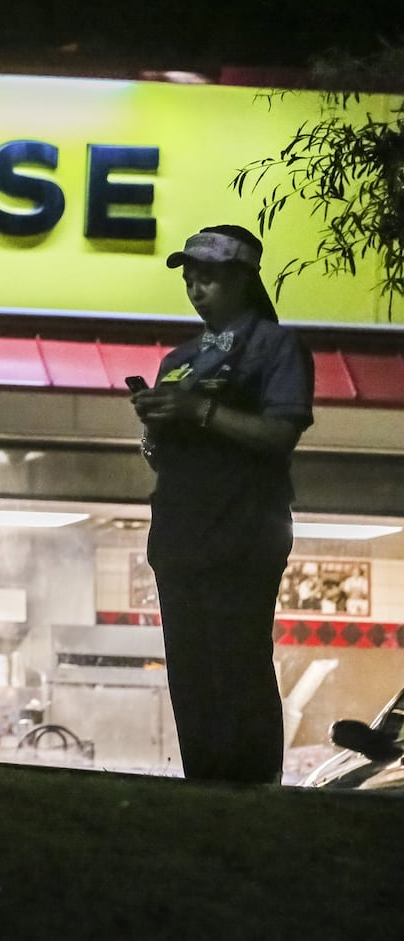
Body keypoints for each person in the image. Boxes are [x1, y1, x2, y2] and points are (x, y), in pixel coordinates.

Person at [130, 224, 314, 784]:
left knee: (238, 659)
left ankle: (254, 788)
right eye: (189, 278)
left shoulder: (276, 347)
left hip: (244, 530)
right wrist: (156, 425)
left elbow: (280, 435)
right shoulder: (177, 359)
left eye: (207, 277)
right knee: (188, 667)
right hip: (180, 530)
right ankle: (203, 786)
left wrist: (197, 413)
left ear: (242, 278)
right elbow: (166, 456)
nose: (195, 288)